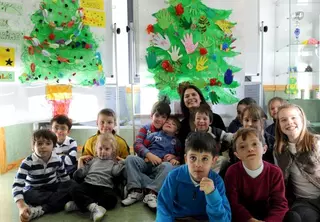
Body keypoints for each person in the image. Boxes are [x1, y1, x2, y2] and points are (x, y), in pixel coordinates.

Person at [156, 132, 231, 222]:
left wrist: (212, 194)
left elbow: (224, 220)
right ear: (186, 159)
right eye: (193, 158)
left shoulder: (217, 182)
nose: (198, 164)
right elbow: (163, 207)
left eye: (205, 158)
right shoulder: (173, 177)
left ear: (213, 160)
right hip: (179, 218)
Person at [224, 128, 288, 222]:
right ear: (237, 155)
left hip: (268, 216)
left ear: (264, 149)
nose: (250, 149)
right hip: (242, 218)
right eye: (242, 147)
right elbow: (232, 203)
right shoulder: (232, 172)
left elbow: (279, 204)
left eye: (254, 144)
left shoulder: (275, 172)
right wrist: (249, 219)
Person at [12, 129, 76, 222]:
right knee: (29, 195)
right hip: (34, 190)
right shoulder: (27, 162)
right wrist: (21, 206)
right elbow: (17, 185)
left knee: (73, 185)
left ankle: (41, 209)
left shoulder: (57, 159)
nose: (43, 146)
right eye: (39, 143)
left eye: (48, 143)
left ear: (53, 146)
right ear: (33, 147)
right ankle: (61, 201)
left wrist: (70, 188)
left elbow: (64, 178)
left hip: (52, 187)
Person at [121, 117, 181, 209]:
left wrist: (175, 158)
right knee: (130, 158)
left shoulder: (176, 142)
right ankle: (136, 191)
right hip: (146, 163)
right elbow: (141, 148)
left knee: (169, 166)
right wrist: (146, 156)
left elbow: (179, 155)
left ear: (176, 131)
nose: (169, 124)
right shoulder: (153, 135)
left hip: (161, 168)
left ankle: (151, 194)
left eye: (173, 124)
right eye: (167, 122)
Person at [274, 104, 320, 222]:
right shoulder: (278, 150)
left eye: (293, 117)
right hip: (303, 201)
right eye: (283, 120)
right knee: (295, 217)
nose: (289, 122)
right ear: (279, 125)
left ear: (302, 119)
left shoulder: (316, 143)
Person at [65, 133, 125, 222]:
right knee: (73, 189)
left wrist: (122, 163)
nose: (103, 151)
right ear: (96, 149)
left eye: (107, 149)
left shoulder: (114, 162)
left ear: (112, 150)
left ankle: (80, 204)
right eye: (100, 148)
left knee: (112, 200)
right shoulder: (93, 160)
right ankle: (94, 207)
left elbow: (115, 173)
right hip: (88, 184)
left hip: (105, 187)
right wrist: (80, 161)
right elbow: (81, 174)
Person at [178, 85, 226, 162]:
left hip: (213, 159)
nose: (190, 97)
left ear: (200, 98)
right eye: (187, 96)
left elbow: (225, 141)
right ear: (183, 101)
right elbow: (182, 149)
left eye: (193, 94)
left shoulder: (216, 118)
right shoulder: (183, 124)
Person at [194, 104, 233, 174]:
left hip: (214, 159)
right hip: (199, 160)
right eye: (198, 118)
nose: (201, 121)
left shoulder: (216, 132)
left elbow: (229, 137)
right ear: (194, 121)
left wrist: (236, 135)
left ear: (210, 121)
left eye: (204, 119)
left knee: (222, 160)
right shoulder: (192, 136)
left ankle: (211, 176)